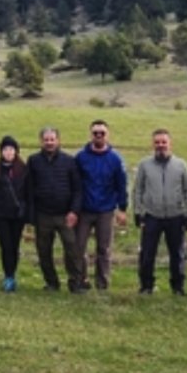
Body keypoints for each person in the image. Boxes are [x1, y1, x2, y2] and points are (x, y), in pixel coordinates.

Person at [132, 129, 187, 296]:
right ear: (153, 144)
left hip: (176, 216)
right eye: (157, 142)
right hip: (152, 216)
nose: (160, 145)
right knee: (147, 253)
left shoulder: (181, 165)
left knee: (177, 254)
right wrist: (138, 212)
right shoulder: (144, 165)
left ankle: (178, 287)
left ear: (170, 143)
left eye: (163, 142)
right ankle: (146, 286)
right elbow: (138, 189)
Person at [25, 126, 81, 292]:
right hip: (43, 215)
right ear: (41, 141)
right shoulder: (33, 161)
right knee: (44, 251)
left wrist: (74, 211)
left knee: (72, 250)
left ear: (58, 140)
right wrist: (31, 215)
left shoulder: (69, 161)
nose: (49, 142)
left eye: (52, 139)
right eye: (46, 139)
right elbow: (29, 189)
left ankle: (75, 283)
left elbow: (78, 189)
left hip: (65, 215)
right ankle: (51, 283)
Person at [74, 120, 128, 291]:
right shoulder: (80, 157)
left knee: (103, 250)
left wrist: (123, 208)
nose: (98, 136)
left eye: (102, 133)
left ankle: (102, 284)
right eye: (95, 133)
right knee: (79, 247)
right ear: (90, 134)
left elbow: (121, 184)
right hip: (84, 210)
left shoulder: (115, 159)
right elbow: (74, 184)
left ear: (107, 135)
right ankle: (81, 280)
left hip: (106, 210)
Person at [0, 136, 29, 292]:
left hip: (18, 215)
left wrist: (27, 213)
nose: (8, 152)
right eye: (5, 149)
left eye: (11, 149)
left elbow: (28, 192)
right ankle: (8, 276)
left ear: (16, 151)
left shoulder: (23, 169)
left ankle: (12, 274)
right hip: (0, 214)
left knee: (14, 246)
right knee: (6, 246)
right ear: (1, 151)